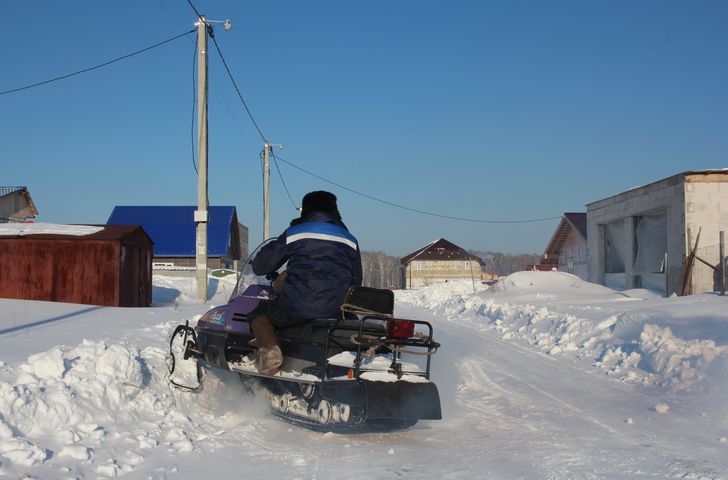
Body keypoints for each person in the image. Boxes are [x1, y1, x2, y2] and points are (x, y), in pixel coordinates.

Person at [249, 191, 363, 375]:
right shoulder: (349, 239)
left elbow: (262, 266)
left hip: (297, 307)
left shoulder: (297, 232)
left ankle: (270, 354)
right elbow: (356, 280)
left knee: (259, 313)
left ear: (306, 210)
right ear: (335, 210)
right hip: (336, 310)